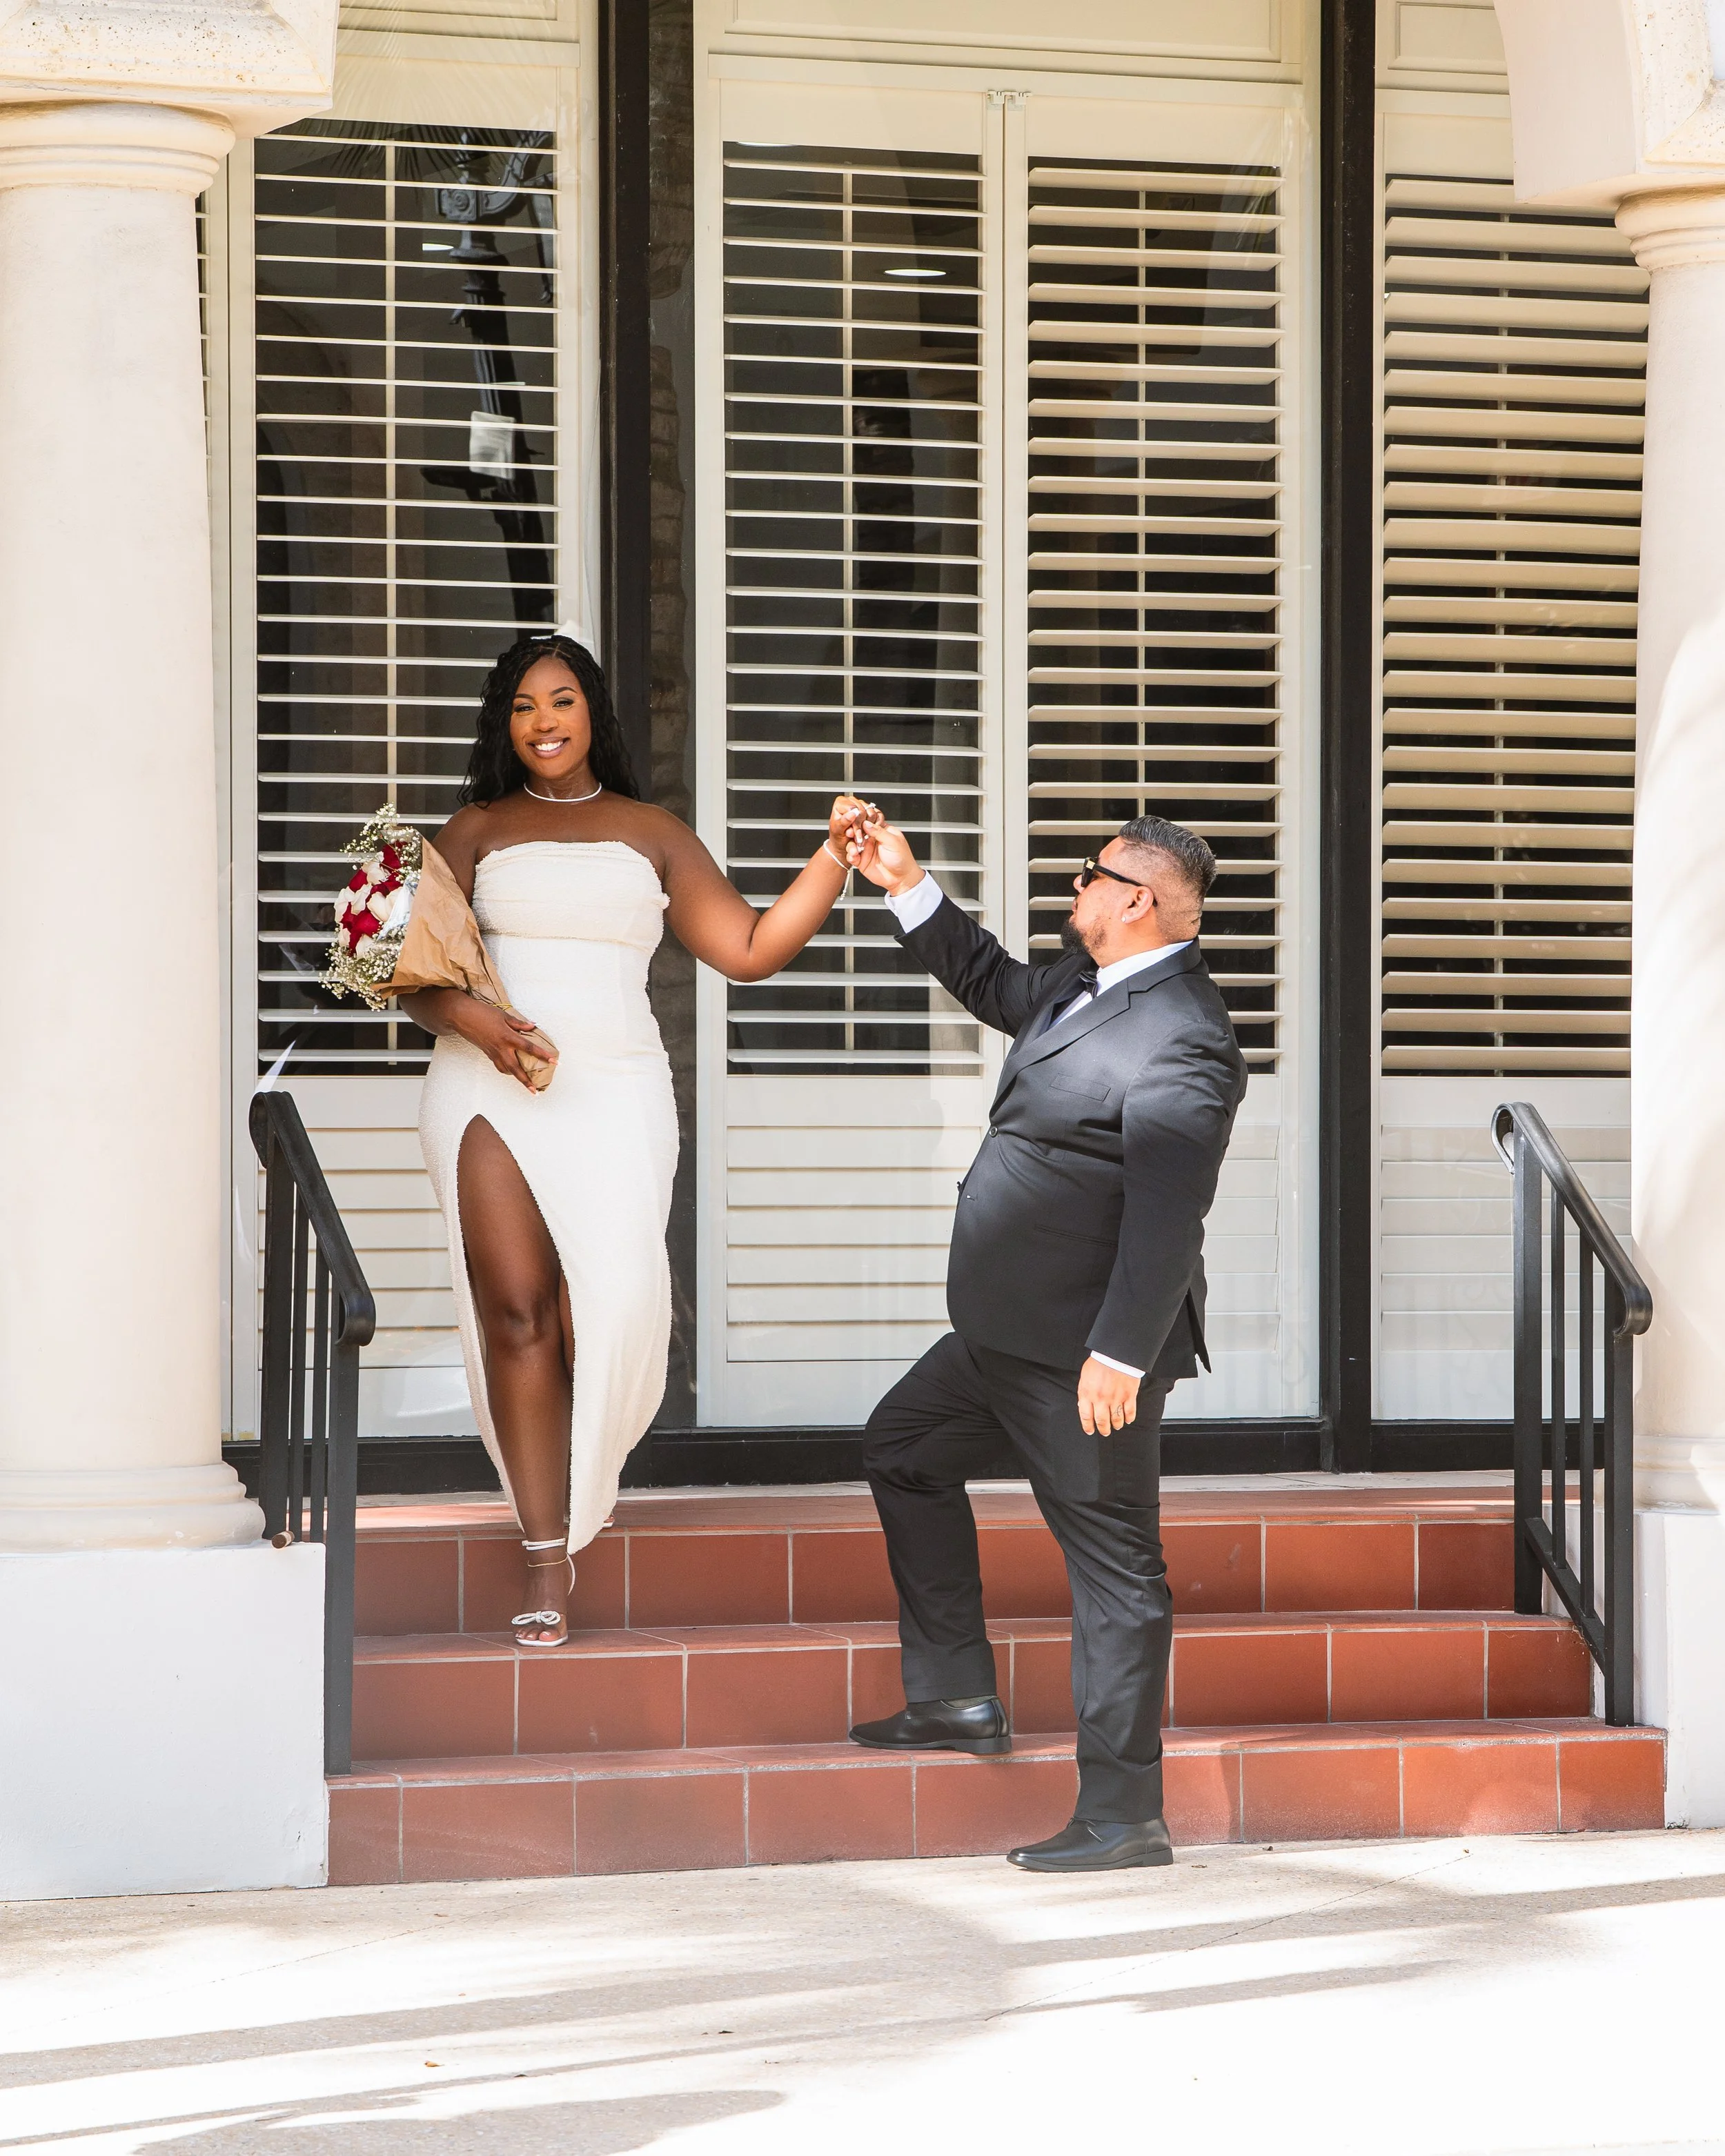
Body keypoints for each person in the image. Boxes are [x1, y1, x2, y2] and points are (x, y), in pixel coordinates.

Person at [404, 629, 865, 1646]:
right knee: (517, 1314)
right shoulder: (472, 830)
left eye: (559, 701)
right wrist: (482, 1025)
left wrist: (832, 860)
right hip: (487, 1085)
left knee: (605, 1306)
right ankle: (545, 1554)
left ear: (592, 712)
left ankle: (583, 1489)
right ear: (503, 724)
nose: (542, 723)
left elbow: (748, 950)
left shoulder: (652, 830)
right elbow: (418, 981)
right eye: (522, 707)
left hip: (615, 1089)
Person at [842, 809, 1246, 1872]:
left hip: (1083, 1359)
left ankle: (1123, 1815)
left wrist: (1120, 1351)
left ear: (1135, 900)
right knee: (902, 1449)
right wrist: (904, 877)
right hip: (998, 1336)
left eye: (1089, 875)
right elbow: (990, 980)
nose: (1073, 888)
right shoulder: (1082, 982)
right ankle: (956, 1694)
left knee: (1116, 1570)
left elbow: (1170, 1212)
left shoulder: (1186, 1034)